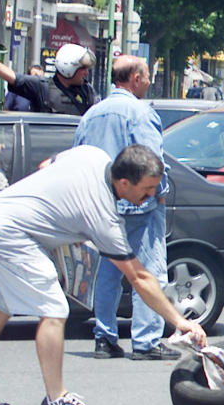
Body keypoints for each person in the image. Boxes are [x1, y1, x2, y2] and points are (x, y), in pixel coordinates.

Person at [0, 144, 206, 405]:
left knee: (0, 306)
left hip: (0, 215)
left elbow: (47, 164)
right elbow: (139, 277)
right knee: (54, 309)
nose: (151, 195)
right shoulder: (104, 216)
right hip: (10, 234)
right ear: (124, 183)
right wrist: (180, 321)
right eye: (148, 188)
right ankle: (56, 400)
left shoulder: (92, 155)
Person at [73, 55, 176, 361]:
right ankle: (145, 341)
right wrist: (157, 194)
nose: (148, 82)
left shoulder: (91, 114)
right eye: (146, 77)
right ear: (134, 79)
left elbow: (79, 156)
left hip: (102, 205)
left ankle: (104, 337)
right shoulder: (139, 112)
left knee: (108, 271)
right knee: (148, 270)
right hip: (139, 204)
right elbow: (152, 161)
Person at [0, 44, 96, 114]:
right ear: (68, 67)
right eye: (82, 68)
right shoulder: (43, 87)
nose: (86, 73)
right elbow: (12, 76)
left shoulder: (87, 92)